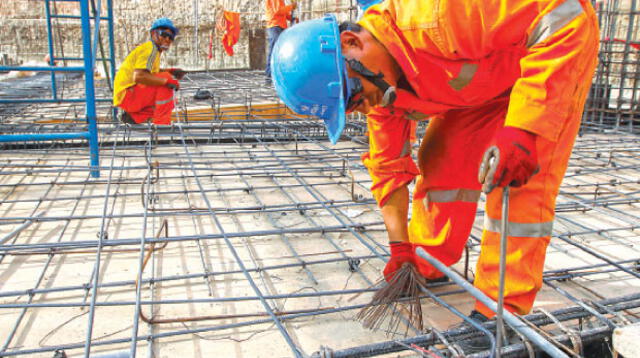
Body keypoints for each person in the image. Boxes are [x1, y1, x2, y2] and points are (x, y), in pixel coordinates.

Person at [269, 0, 599, 334]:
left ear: (352, 44)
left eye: (353, 94)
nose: (362, 107)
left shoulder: (435, 15)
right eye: (351, 107)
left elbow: (563, 14)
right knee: (440, 159)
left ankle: (502, 310)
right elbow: (388, 170)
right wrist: (400, 249)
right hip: (483, 85)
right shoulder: (380, 92)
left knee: (516, 182)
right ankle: (430, 261)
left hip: (547, 64)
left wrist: (526, 127)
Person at [113, 17, 185, 125]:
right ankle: (162, 126)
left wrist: (170, 71)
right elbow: (139, 77)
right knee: (166, 85)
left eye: (170, 37)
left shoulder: (154, 51)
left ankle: (134, 117)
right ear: (153, 33)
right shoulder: (150, 49)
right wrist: (167, 80)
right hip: (127, 95)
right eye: (164, 34)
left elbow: (150, 73)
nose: (167, 39)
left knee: (170, 100)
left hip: (126, 96)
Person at [264, 0, 297, 84]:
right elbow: (278, 11)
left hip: (280, 25)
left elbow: (282, 13)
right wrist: (291, 7)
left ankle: (278, 75)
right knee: (274, 50)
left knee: (279, 51)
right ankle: (269, 76)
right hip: (275, 25)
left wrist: (291, 17)